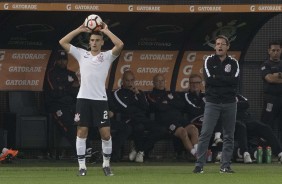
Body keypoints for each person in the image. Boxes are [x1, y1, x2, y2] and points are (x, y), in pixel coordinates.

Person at [59, 21, 124, 176]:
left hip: (100, 100)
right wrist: (79, 29)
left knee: (106, 134)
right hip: (83, 99)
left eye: (97, 40)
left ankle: (106, 165)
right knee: (81, 132)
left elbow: (120, 44)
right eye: (92, 40)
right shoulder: (82, 54)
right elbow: (62, 42)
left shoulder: (107, 56)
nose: (94, 42)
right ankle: (82, 167)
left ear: (102, 42)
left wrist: (106, 30)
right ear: (89, 42)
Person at [193, 35, 240, 174]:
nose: (219, 46)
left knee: (229, 135)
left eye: (222, 44)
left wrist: (217, 78)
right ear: (215, 47)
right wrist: (224, 80)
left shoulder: (234, 63)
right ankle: (199, 165)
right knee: (205, 133)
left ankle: (225, 166)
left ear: (227, 47)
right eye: (217, 44)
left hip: (230, 102)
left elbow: (235, 81)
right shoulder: (208, 60)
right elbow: (209, 80)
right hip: (212, 102)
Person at [113, 70, 166, 163]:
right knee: (139, 127)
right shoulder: (118, 93)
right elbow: (125, 108)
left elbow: (146, 107)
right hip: (129, 119)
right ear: (122, 81)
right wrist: (138, 108)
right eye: (127, 80)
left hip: (142, 119)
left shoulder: (139, 92)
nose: (130, 83)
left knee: (161, 129)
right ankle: (140, 151)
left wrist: (137, 93)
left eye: (132, 80)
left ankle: (139, 149)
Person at [147, 74, 199, 158]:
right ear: (153, 83)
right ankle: (195, 154)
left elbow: (181, 105)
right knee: (183, 132)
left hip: (179, 119)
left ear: (165, 82)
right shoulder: (151, 95)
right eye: (158, 81)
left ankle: (198, 150)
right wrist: (171, 102)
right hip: (166, 122)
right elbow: (160, 107)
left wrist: (168, 102)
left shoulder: (171, 93)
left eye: (162, 81)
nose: (160, 83)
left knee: (194, 129)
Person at [45, 50, 80, 156]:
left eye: (64, 60)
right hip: (56, 106)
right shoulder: (51, 73)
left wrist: (64, 88)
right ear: (56, 61)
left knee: (82, 125)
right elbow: (55, 92)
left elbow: (77, 91)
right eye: (60, 59)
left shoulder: (71, 74)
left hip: (71, 106)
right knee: (69, 126)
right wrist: (69, 87)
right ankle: (80, 153)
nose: (62, 62)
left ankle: (88, 151)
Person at [181, 74, 223, 162]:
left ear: (201, 84)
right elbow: (194, 110)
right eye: (192, 82)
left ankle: (217, 139)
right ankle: (201, 152)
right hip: (195, 122)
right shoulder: (186, 96)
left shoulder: (206, 95)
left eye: (197, 82)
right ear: (189, 84)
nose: (194, 85)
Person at [235, 94, 282, 163]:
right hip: (233, 121)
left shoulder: (237, 95)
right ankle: (245, 153)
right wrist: (236, 105)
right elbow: (227, 107)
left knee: (265, 128)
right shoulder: (222, 96)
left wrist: (235, 105)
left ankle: (279, 153)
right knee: (241, 127)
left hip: (247, 120)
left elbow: (246, 104)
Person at [260, 41, 282, 137]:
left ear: (281, 50)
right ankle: (267, 149)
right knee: (268, 124)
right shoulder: (265, 65)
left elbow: (274, 78)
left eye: (278, 50)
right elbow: (270, 79)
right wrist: (274, 77)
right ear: (269, 51)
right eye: (273, 50)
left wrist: (278, 75)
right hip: (271, 98)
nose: (276, 52)